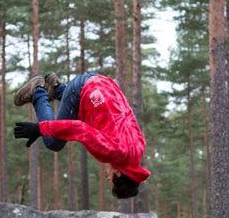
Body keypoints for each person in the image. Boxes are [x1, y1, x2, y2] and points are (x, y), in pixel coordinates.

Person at [13, 71, 151, 199]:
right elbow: (80, 129)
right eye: (111, 180)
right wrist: (39, 129)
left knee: (89, 118)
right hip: (83, 89)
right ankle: (38, 91)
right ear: (119, 173)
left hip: (104, 86)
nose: (107, 177)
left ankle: (56, 87)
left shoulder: (138, 149)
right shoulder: (112, 152)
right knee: (53, 142)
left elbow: (127, 114)